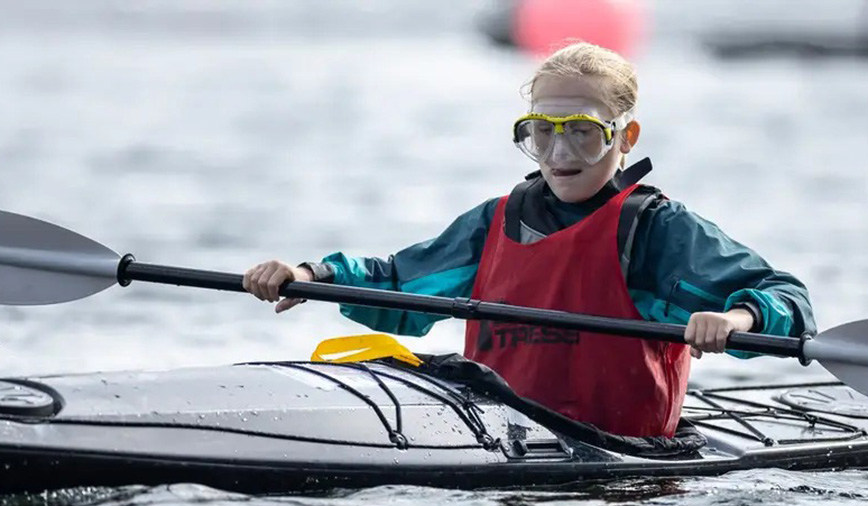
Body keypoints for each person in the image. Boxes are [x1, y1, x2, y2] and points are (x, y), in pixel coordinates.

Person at [243, 41, 815, 438]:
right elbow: (395, 284)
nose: (559, 154)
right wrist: (310, 276)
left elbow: (786, 298)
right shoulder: (495, 222)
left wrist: (735, 319)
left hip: (620, 461)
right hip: (496, 438)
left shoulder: (654, 230)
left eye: (584, 134)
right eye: (542, 133)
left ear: (625, 137)